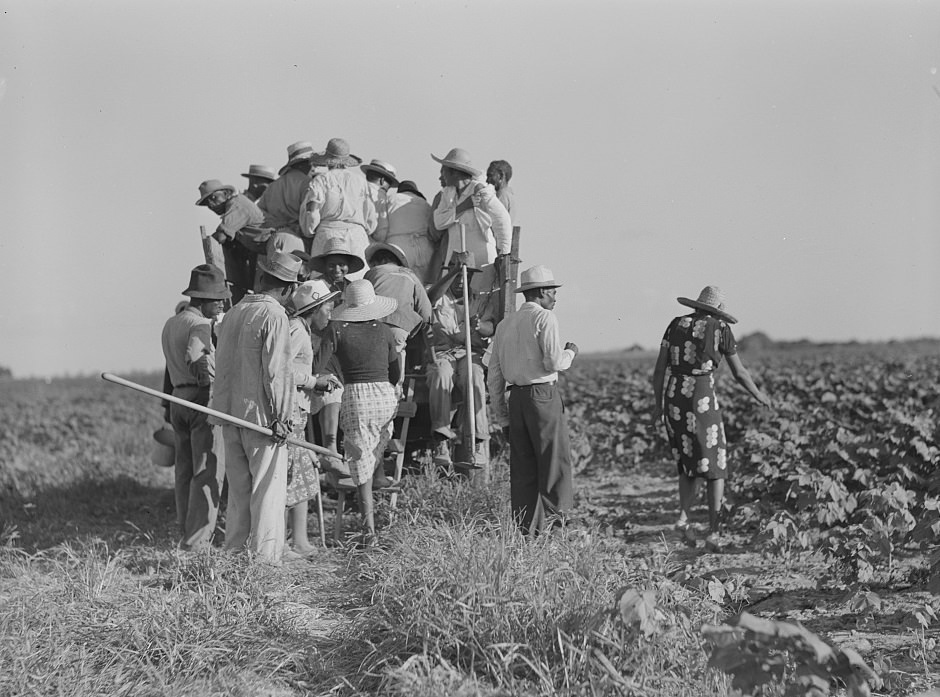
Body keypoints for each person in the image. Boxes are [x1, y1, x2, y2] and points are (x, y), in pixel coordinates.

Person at [651, 286, 771, 552]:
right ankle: (714, 532)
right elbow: (739, 372)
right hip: (701, 397)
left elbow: (659, 370)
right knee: (715, 464)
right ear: (718, 310)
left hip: (675, 397)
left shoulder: (675, 325)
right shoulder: (720, 329)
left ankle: (684, 518)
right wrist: (758, 394)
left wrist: (658, 406)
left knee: (687, 461)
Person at [210, 251, 300, 563]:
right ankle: (264, 564)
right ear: (289, 289)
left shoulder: (234, 313)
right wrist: (282, 418)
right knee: (267, 493)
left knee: (238, 493)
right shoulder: (275, 317)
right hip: (262, 418)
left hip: (228, 414)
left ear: (261, 279)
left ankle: (234, 558)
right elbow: (277, 373)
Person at [487, 265, 578, 536]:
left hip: (516, 398)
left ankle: (528, 531)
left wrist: (502, 416)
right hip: (542, 395)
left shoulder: (504, 325)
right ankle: (559, 524)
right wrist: (570, 354)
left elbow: (494, 375)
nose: (555, 297)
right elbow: (552, 361)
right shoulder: (546, 319)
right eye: (551, 291)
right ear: (539, 293)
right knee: (554, 460)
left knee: (524, 467)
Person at [314, 280, 400, 544]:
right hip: (385, 396)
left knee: (358, 460)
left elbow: (318, 365)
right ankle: (379, 487)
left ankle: (369, 531)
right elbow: (395, 374)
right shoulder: (385, 331)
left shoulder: (335, 329)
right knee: (373, 452)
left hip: (357, 397)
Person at [161, 264, 229, 552]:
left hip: (178, 398)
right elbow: (195, 356)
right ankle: (198, 540)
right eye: (218, 300)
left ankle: (184, 529)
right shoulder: (199, 325)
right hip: (199, 398)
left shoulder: (172, 322)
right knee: (207, 469)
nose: (222, 305)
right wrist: (208, 382)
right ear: (202, 300)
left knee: (185, 470)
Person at [285, 280, 343, 555]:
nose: (330, 313)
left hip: (299, 411)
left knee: (301, 476)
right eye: (328, 307)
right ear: (315, 308)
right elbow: (282, 370)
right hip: (292, 412)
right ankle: (294, 541)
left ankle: (298, 540)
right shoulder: (297, 330)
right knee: (294, 475)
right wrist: (313, 382)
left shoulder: (303, 331)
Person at [426, 251, 497, 469]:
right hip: (443, 354)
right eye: (456, 276)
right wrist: (455, 270)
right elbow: (429, 300)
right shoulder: (438, 296)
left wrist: (479, 327)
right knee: (440, 373)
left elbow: (491, 327)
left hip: (469, 353)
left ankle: (477, 441)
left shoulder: (480, 300)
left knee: (474, 375)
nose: (460, 281)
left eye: (464, 276)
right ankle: (441, 441)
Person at [431, 148, 511, 292]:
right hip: (455, 263)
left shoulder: (480, 190)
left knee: (481, 304)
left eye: (443, 171)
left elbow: (502, 220)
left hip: (481, 261)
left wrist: (504, 256)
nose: (441, 175)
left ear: (454, 172)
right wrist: (463, 206)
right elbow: (438, 222)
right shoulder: (448, 194)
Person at [301, 138, 376, 278]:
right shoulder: (361, 181)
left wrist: (309, 230)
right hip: (357, 236)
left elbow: (312, 212)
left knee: (323, 284)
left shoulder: (320, 181)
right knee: (358, 283)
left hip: (328, 235)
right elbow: (371, 216)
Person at [363, 241, 433, 385]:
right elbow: (426, 311)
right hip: (399, 326)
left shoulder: (371, 273)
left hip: (371, 325)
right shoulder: (410, 275)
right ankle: (395, 397)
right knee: (396, 362)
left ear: (379, 261)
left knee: (372, 369)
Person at [196, 179, 266, 303]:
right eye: (207, 203)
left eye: (213, 198)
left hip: (265, 252)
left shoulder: (236, 205)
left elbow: (220, 237)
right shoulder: (235, 205)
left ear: (225, 193)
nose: (211, 205)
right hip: (259, 253)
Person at [257, 141, 316, 260]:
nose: (314, 168)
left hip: (273, 238)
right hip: (297, 239)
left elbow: (259, 213)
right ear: (303, 164)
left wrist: (276, 224)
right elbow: (310, 215)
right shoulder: (308, 184)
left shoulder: (273, 186)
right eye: (313, 164)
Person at [379, 180, 438, 284]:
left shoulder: (390, 199)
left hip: (397, 246)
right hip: (424, 247)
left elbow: (381, 227)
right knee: (422, 287)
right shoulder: (425, 204)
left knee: (400, 283)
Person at [360, 158, 399, 242]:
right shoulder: (381, 198)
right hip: (364, 242)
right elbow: (381, 232)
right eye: (389, 185)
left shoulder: (355, 188)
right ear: (382, 181)